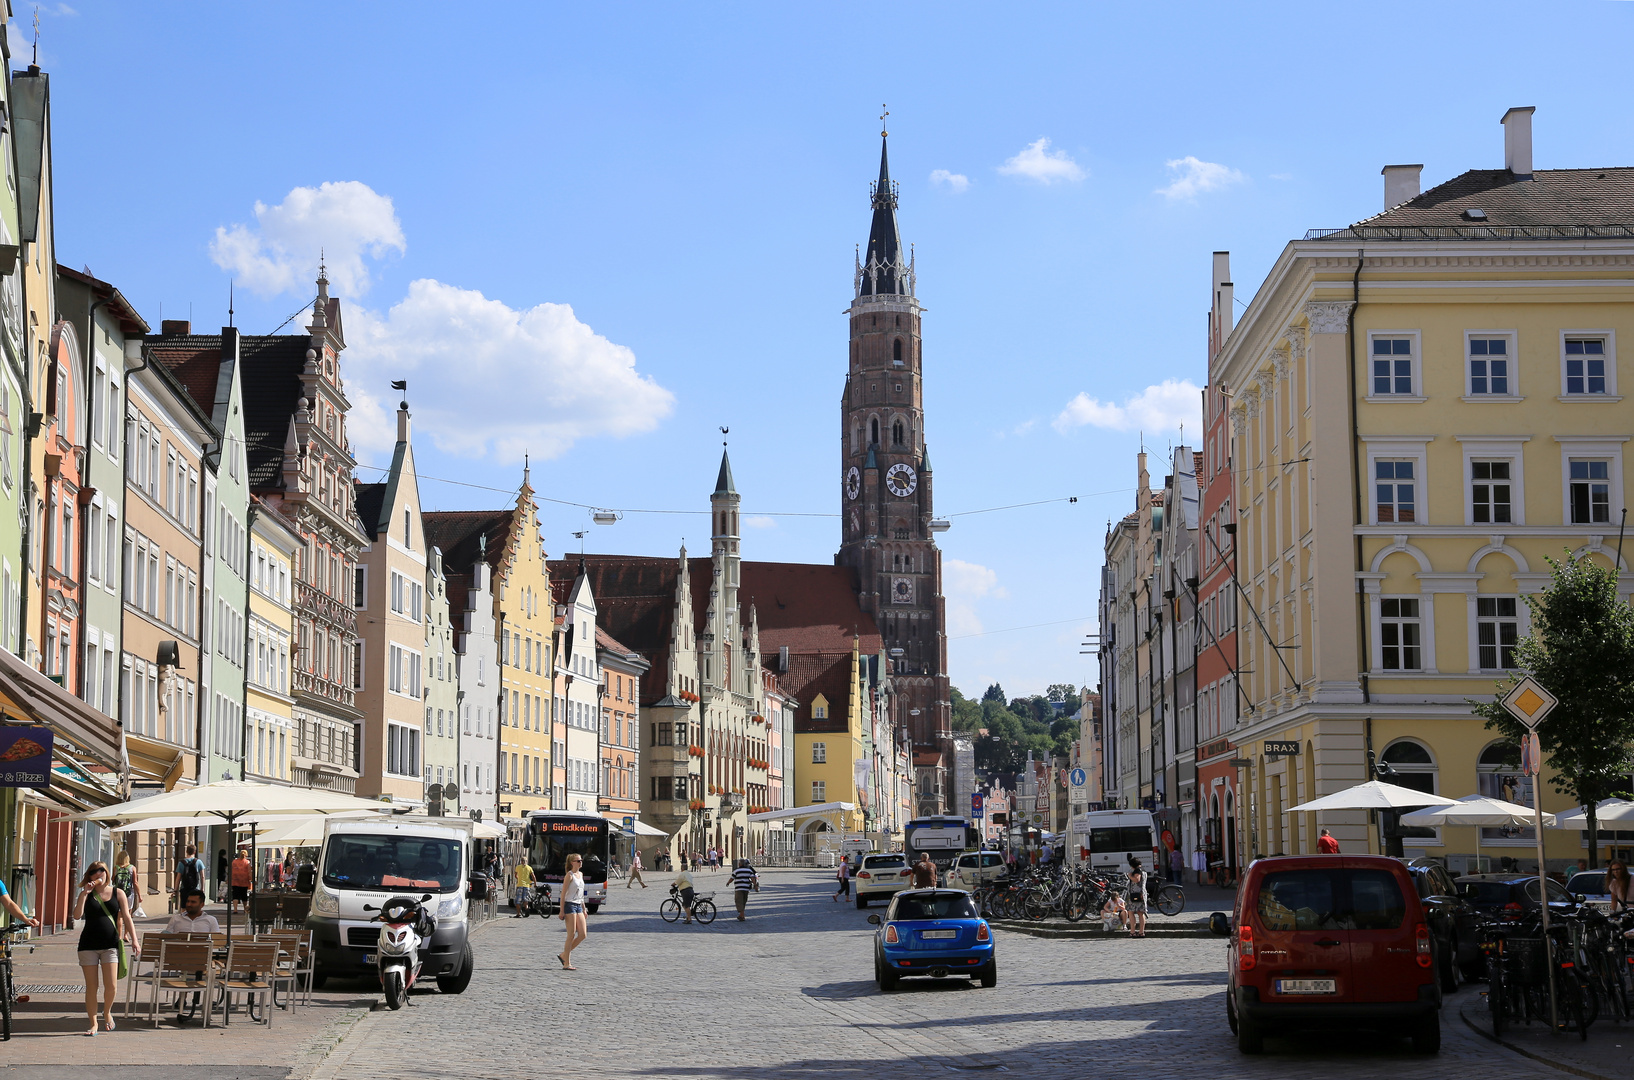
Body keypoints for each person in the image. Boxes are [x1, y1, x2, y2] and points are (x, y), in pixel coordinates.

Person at [72, 861, 136, 1036]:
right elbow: (77, 915)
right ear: (89, 876)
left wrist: (135, 941)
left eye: (102, 871)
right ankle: (93, 1024)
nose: (98, 874)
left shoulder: (118, 893)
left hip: (110, 945)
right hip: (88, 946)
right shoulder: (86, 893)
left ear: (107, 873)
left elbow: (127, 918)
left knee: (112, 986)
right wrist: (85, 893)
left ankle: (107, 1011)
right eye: (94, 872)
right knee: (92, 987)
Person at [164, 890, 221, 1024]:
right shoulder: (176, 919)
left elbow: (218, 943)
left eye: (193, 902)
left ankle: (188, 998)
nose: (189, 904)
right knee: (188, 966)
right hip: (180, 961)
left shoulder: (210, 920)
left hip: (202, 960)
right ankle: (186, 997)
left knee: (205, 967)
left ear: (201, 904)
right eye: (188, 901)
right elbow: (166, 937)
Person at [557, 852, 587, 969]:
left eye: (581, 860)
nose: (580, 862)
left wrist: (584, 909)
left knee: (583, 934)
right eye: (578, 861)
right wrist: (561, 910)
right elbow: (563, 894)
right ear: (572, 863)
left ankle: (564, 954)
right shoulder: (569, 875)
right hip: (569, 905)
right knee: (571, 934)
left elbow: (581, 893)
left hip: (579, 904)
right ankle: (567, 963)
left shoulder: (581, 874)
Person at [1125, 857, 1148, 937]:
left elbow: (1137, 879)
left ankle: (1133, 931)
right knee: (1141, 913)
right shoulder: (1144, 870)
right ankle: (1141, 932)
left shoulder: (1137, 871)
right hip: (1142, 893)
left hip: (1135, 894)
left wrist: (1130, 876)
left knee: (1131, 912)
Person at [229, 848, 254, 914]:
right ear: (246, 855)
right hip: (244, 881)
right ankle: (245, 909)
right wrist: (251, 879)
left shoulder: (234, 862)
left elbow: (231, 871)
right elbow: (249, 872)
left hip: (235, 880)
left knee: (235, 895)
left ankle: (235, 909)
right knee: (244, 895)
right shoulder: (247, 862)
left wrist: (229, 879)